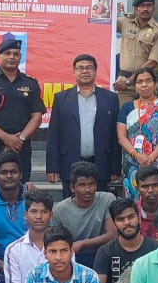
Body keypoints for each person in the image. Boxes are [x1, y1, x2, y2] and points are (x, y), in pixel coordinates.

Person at [0, 35, 45, 184]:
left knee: (20, 188)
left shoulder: (31, 83)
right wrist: (5, 137)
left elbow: (37, 117)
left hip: (20, 148)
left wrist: (19, 139)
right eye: (7, 53)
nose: (12, 57)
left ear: (20, 57)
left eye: (16, 54)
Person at [46, 54, 120, 197]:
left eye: (89, 68)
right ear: (74, 72)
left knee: (99, 204)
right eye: (80, 68)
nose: (84, 71)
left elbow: (114, 135)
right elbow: (54, 135)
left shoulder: (110, 98)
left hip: (101, 163)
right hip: (70, 162)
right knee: (71, 204)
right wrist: (52, 167)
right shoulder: (61, 99)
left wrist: (115, 167)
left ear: (95, 71)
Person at [93, 198, 158, 283]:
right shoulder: (105, 251)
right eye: (120, 219)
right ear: (114, 223)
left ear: (139, 218)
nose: (127, 223)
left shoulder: (156, 249)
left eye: (131, 217)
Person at [116, 66, 158, 200]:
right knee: (134, 203)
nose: (144, 85)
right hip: (133, 163)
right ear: (135, 86)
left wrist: (151, 158)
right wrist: (137, 155)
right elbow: (121, 137)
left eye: (148, 81)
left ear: (155, 84)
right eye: (140, 82)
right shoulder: (127, 108)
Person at [52, 161, 116, 267]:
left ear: (96, 185)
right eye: (82, 185)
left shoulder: (107, 199)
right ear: (72, 187)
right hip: (73, 256)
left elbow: (112, 235)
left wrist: (82, 243)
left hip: (103, 254)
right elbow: (58, 242)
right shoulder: (60, 210)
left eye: (91, 184)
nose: (87, 189)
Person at [115, 0, 158, 105]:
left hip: (146, 83)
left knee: (147, 116)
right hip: (124, 84)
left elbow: (152, 62)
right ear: (136, 9)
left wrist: (129, 81)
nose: (145, 9)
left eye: (149, 5)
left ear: (153, 9)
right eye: (142, 5)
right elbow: (104, 20)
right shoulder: (125, 22)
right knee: (126, 115)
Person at [4, 190, 55, 283]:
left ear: (51, 215)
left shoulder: (63, 248)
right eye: (33, 211)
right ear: (25, 215)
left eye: (44, 212)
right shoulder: (13, 250)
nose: (39, 217)